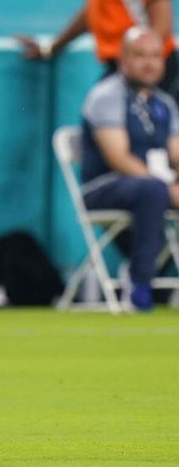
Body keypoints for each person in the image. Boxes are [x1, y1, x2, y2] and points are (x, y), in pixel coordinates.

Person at [81, 26, 179, 311]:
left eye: (155, 56)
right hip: (104, 187)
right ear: (122, 59)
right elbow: (119, 158)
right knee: (153, 190)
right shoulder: (107, 96)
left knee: (155, 190)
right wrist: (169, 189)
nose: (149, 63)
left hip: (155, 188)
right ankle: (139, 283)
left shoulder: (165, 104)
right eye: (140, 56)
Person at [17, 0, 179, 101]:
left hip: (150, 73)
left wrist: (144, 70)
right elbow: (96, 10)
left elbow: (162, 24)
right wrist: (53, 47)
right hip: (123, 68)